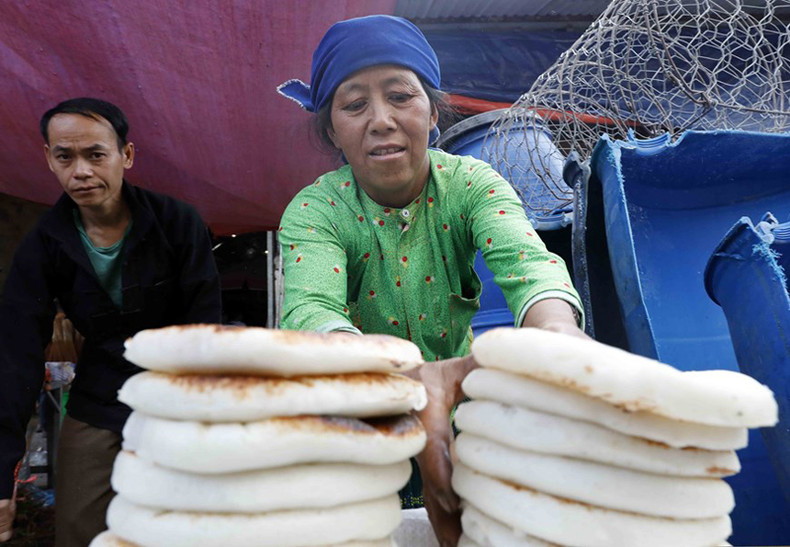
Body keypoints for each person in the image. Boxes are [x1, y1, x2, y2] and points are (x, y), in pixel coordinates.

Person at [277, 15, 586, 546]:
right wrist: (386, 373)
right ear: (331, 129)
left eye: (400, 96)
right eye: (354, 105)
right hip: (360, 427)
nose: (381, 120)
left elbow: (528, 264)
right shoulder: (315, 211)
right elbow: (311, 311)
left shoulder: (470, 184)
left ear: (432, 110)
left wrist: (557, 332)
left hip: (465, 424)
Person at [0, 98, 222, 546]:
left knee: (185, 525)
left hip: (174, 396)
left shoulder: (177, 223)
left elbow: (205, 331)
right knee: (80, 526)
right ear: (48, 158)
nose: (80, 171)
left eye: (95, 155)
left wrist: (201, 422)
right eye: (64, 157)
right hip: (97, 399)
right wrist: (1, 471)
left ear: (127, 155)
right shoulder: (44, 244)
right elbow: (16, 354)